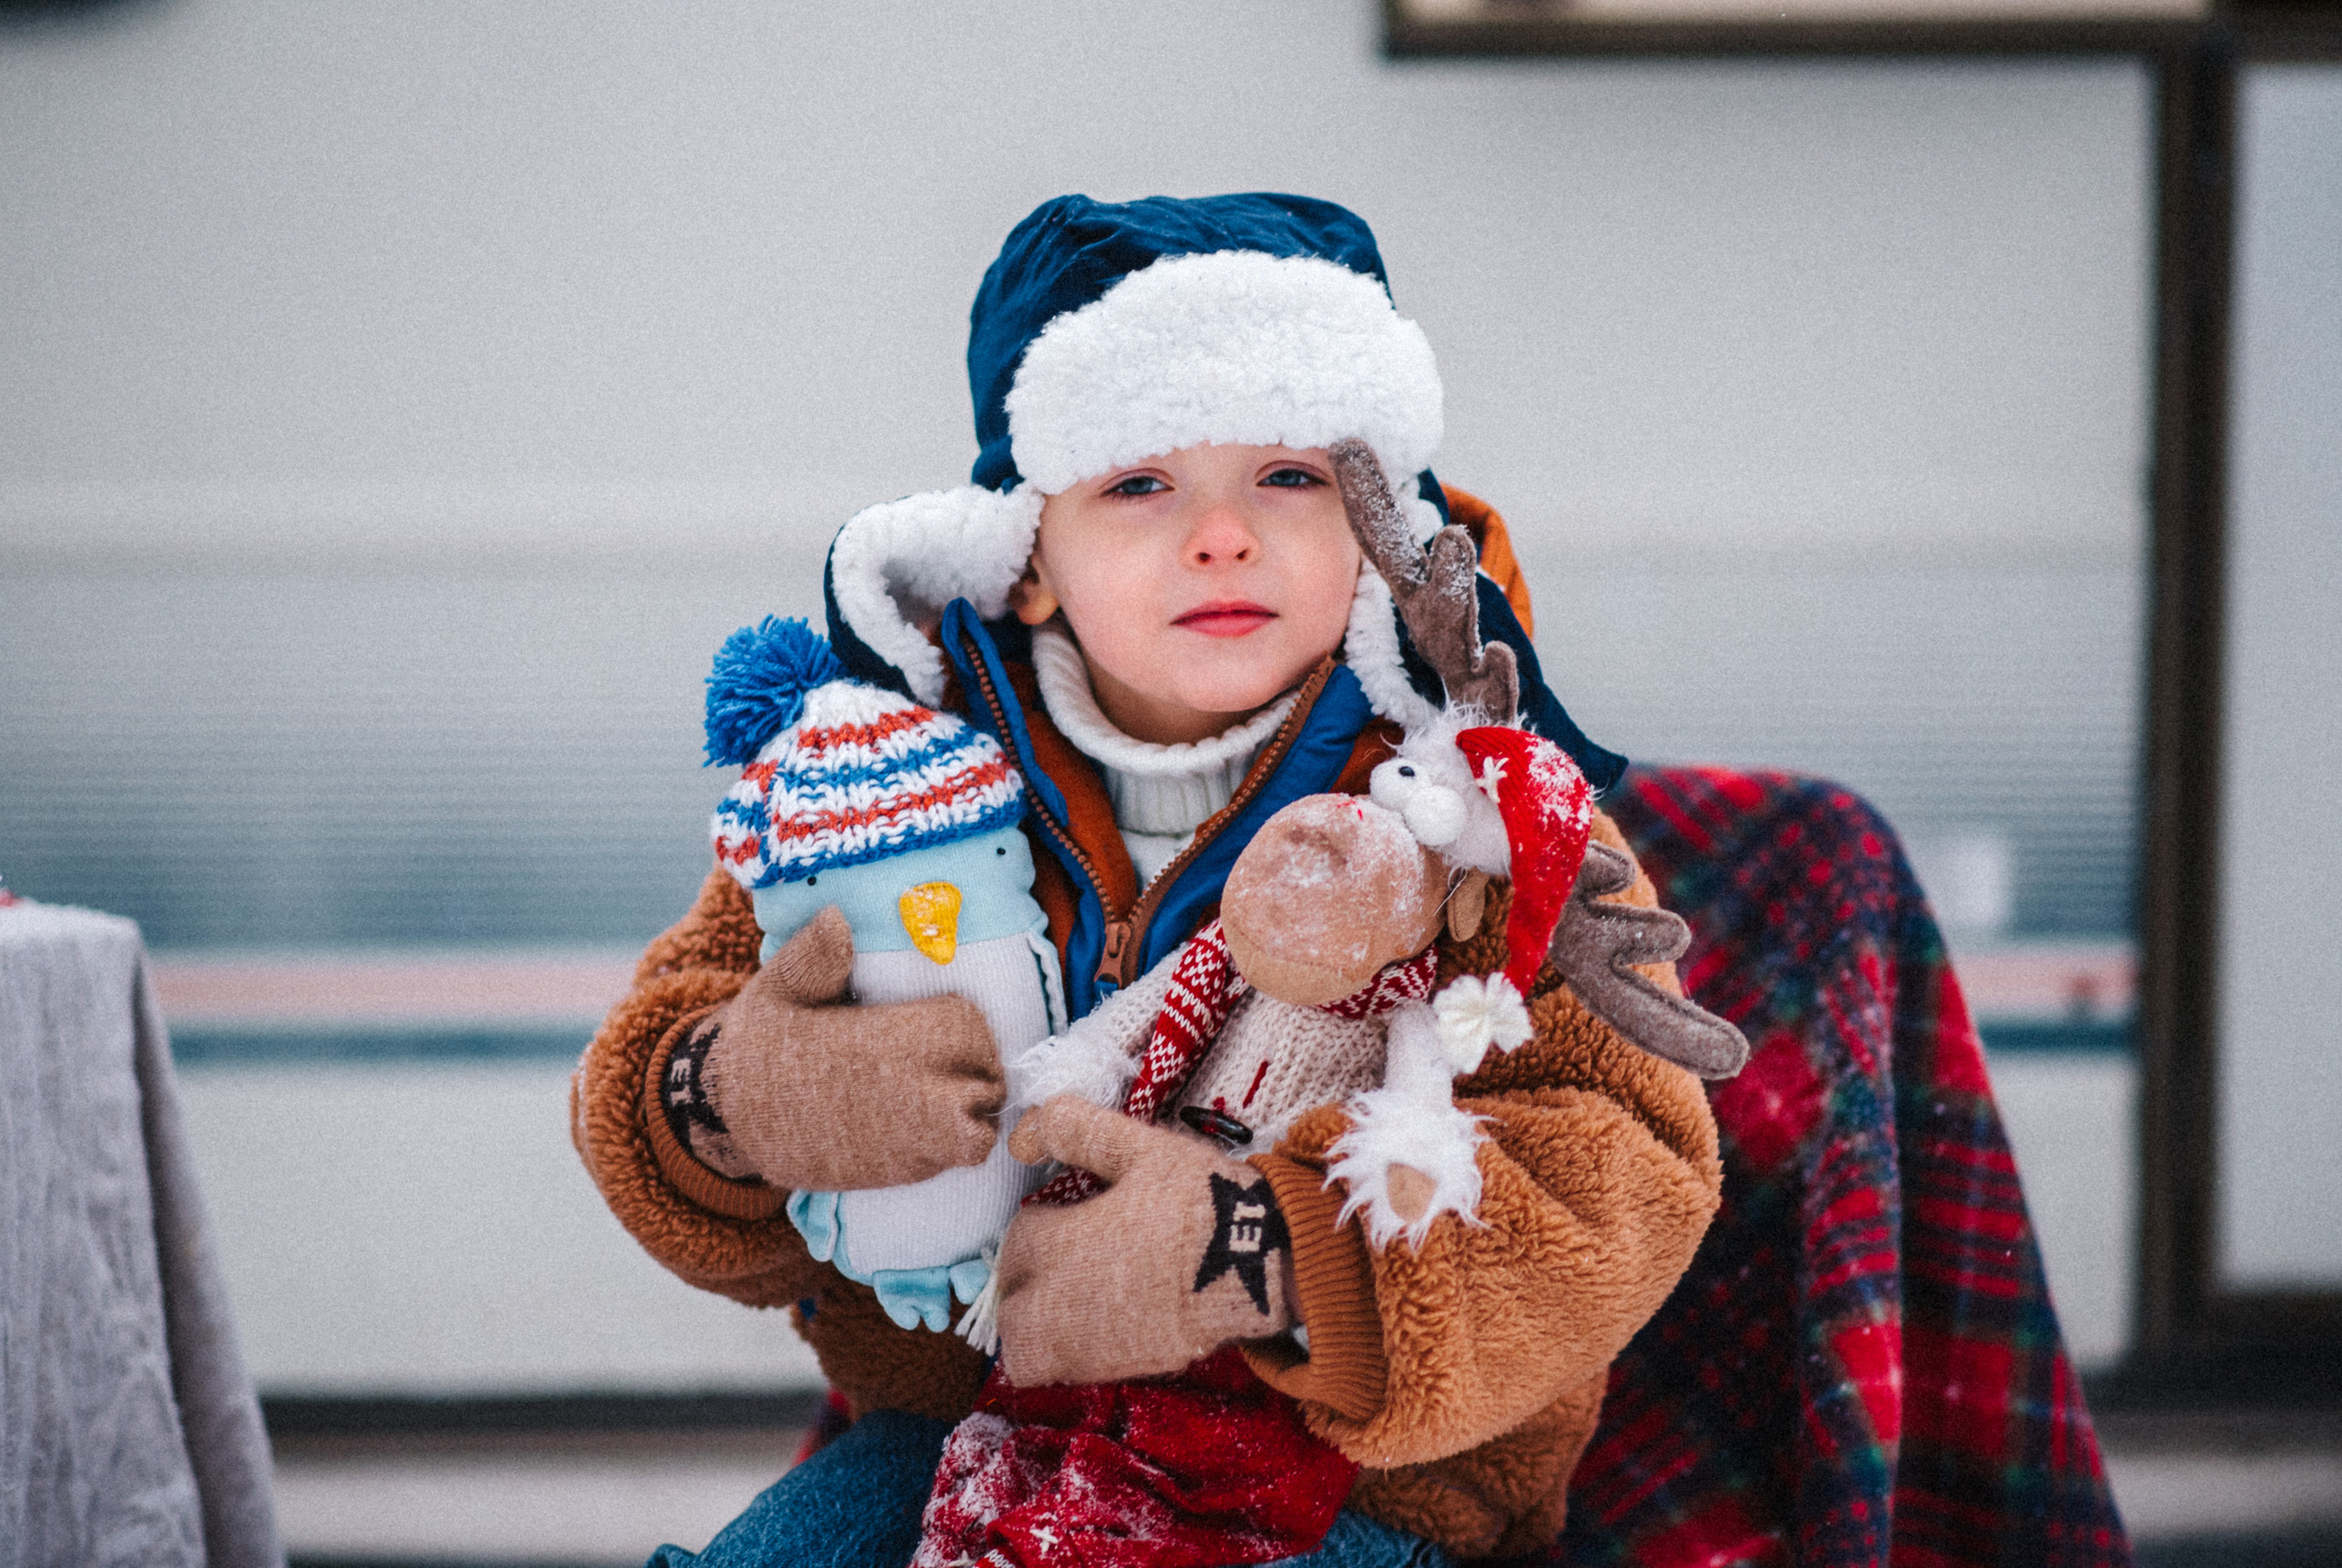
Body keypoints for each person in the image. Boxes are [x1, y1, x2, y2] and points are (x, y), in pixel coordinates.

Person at [572, 192, 1724, 1568]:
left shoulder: (1478, 811)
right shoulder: (882, 787)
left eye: (1289, 475)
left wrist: (1264, 1255)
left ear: (1375, 519)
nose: (1222, 533)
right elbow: (653, 1060)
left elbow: (1630, 1168)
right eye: (1139, 481)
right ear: (1030, 554)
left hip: (1355, 1489)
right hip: (958, 1425)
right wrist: (733, 1098)